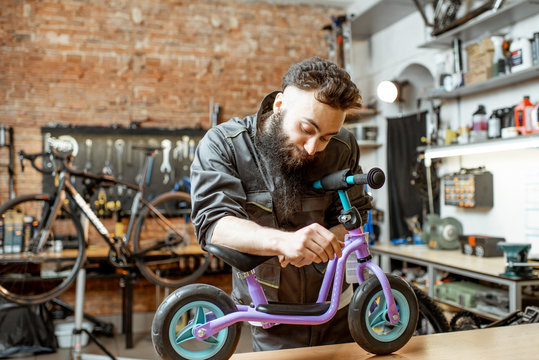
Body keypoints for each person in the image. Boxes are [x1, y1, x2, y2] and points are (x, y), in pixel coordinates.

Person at [190, 56, 373, 351]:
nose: (313, 147)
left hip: (339, 311)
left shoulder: (344, 147)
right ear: (279, 106)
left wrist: (329, 243)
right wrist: (284, 243)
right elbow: (214, 225)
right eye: (306, 129)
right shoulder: (225, 144)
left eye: (326, 137)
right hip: (272, 319)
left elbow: (356, 215)